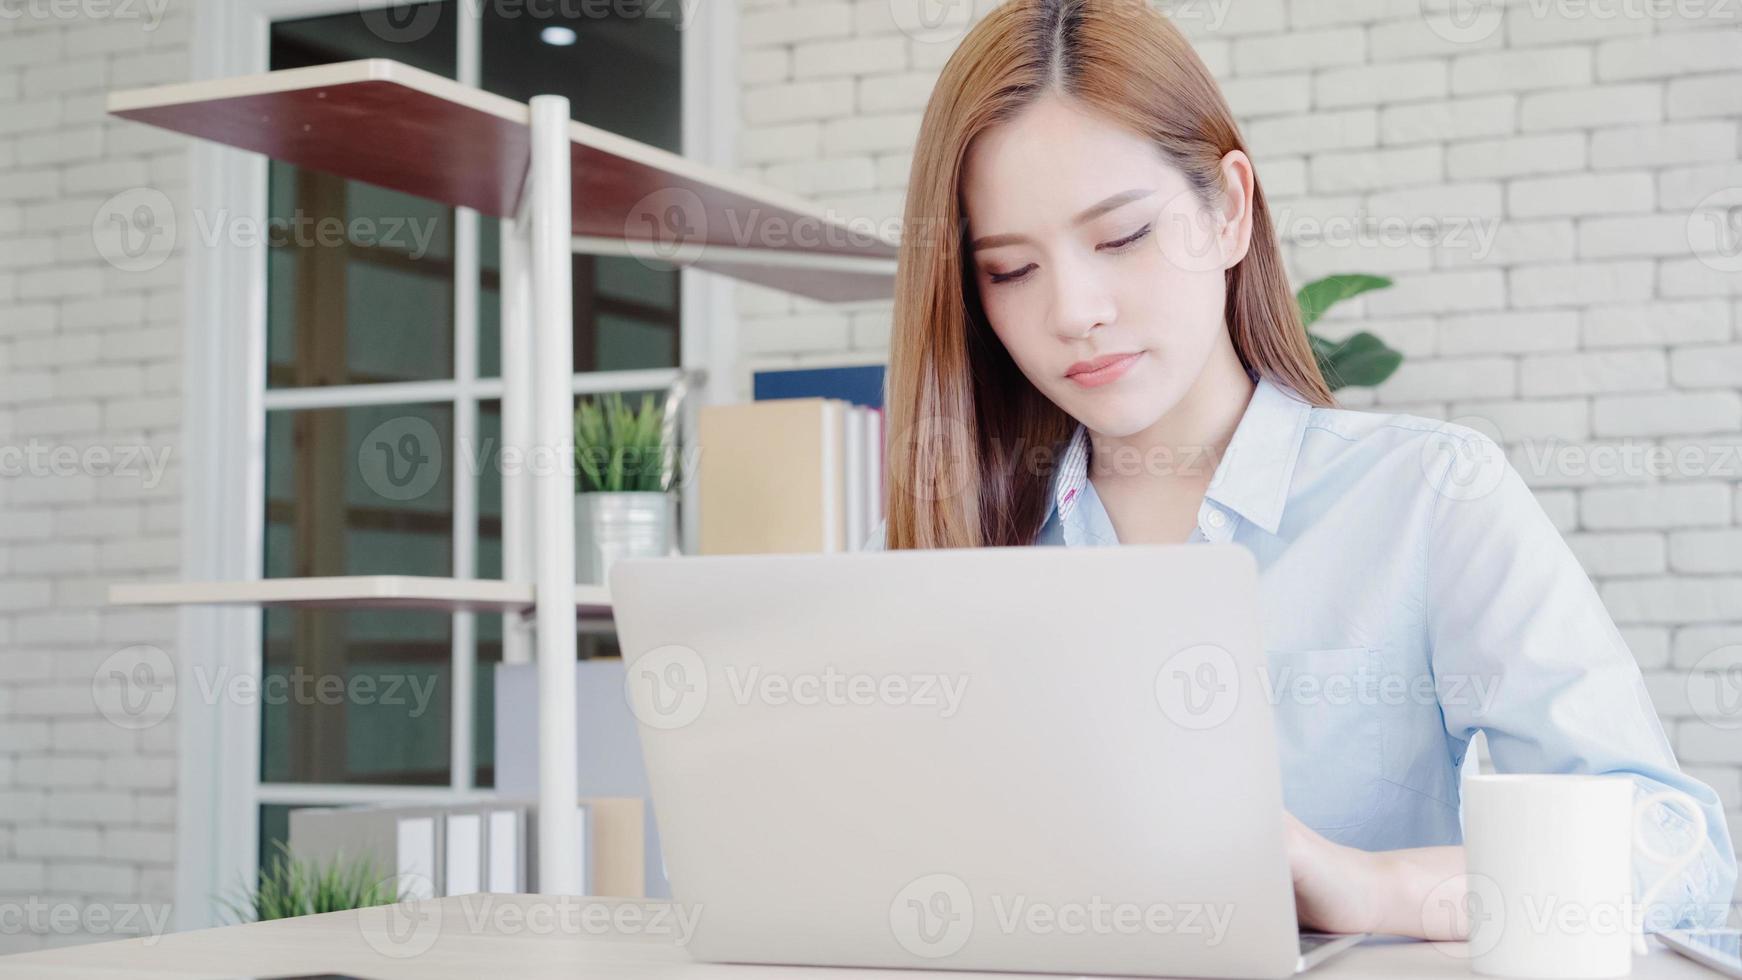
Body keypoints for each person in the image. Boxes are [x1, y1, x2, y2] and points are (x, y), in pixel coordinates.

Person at [861, 0, 1736, 939]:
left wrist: (1367, 888)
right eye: (1009, 270)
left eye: (1120, 237)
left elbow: (1675, 856)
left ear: (1230, 211)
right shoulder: (942, 545)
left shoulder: (1427, 498)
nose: (1075, 310)